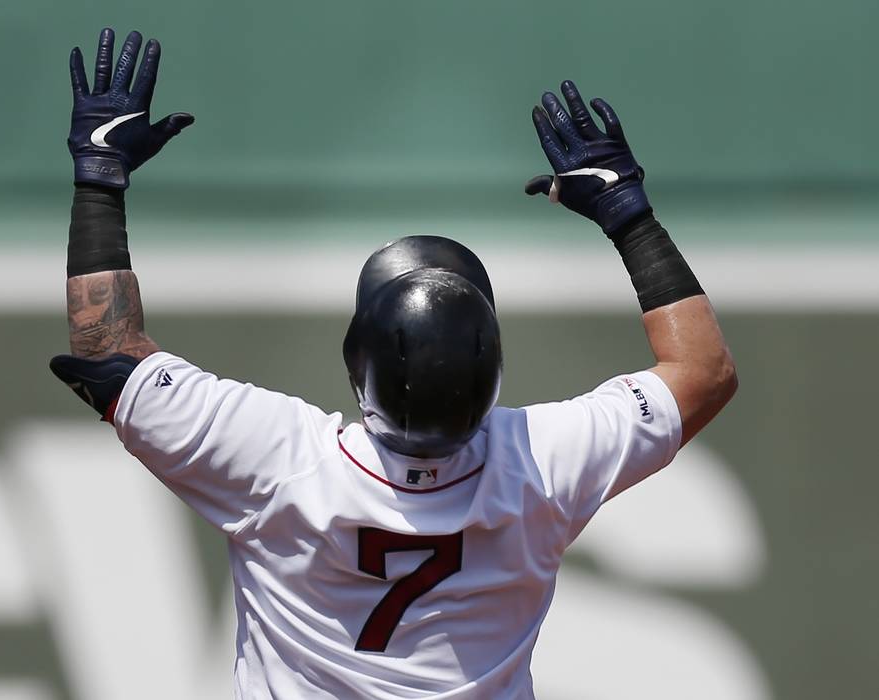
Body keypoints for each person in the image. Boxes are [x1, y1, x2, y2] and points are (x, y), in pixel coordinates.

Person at [51, 28, 737, 700]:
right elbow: (703, 371)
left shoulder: (276, 460)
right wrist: (628, 215)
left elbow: (106, 345)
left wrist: (99, 178)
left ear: (359, 366)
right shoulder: (543, 467)